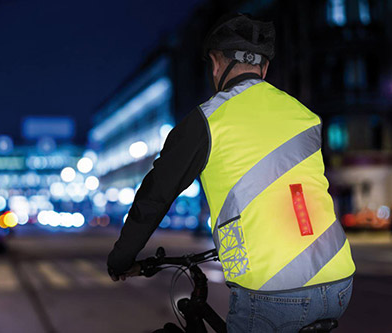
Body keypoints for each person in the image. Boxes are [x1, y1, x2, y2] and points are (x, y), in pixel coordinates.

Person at [107, 13, 356, 332]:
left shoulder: (206, 121)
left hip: (276, 294)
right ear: (264, 67)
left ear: (215, 64)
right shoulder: (305, 115)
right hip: (339, 282)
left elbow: (154, 196)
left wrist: (122, 258)